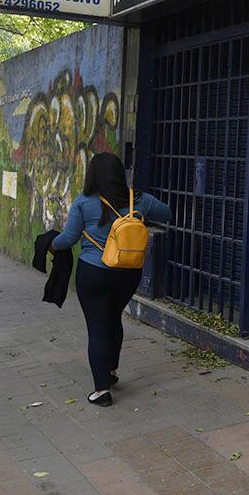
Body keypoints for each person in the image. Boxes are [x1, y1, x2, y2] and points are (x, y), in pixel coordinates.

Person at [50, 152, 172, 407]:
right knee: (113, 317)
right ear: (120, 173)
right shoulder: (140, 199)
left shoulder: (84, 202)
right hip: (128, 274)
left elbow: (68, 239)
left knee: (97, 327)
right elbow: (168, 213)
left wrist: (48, 244)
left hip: (94, 273)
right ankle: (112, 370)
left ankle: (101, 390)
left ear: (92, 174)